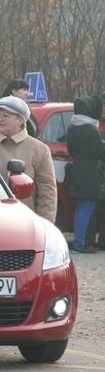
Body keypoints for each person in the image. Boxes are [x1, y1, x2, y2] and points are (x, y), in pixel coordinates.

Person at [0, 96, 57, 223]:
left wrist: (45, 224)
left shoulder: (39, 149)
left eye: (6, 116)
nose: (0, 120)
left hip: (25, 223)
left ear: (20, 120)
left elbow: (47, 192)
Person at [65, 95, 104, 253]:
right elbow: (99, 152)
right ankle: (80, 243)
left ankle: (79, 241)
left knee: (81, 207)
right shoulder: (90, 129)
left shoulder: (72, 127)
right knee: (87, 207)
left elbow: (71, 150)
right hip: (90, 172)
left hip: (77, 169)